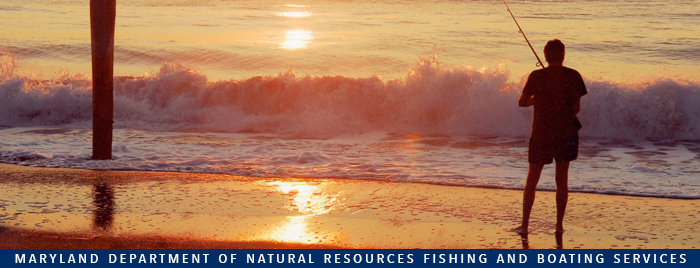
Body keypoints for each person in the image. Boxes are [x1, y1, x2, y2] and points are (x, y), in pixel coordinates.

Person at [513, 39, 587, 234]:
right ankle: (559, 226)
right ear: (563, 55)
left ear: (545, 56)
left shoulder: (536, 76)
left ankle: (525, 225)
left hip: (541, 133)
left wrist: (538, 99)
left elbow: (522, 102)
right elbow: (576, 108)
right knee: (561, 181)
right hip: (566, 133)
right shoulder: (574, 75)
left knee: (532, 180)